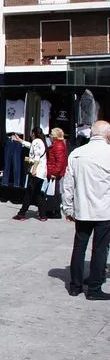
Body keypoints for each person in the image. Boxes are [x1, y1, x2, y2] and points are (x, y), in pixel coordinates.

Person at [61, 120, 110, 300]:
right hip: (104, 210)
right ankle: (94, 289)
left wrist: (67, 207)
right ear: (107, 135)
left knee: (79, 247)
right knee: (100, 249)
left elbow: (68, 184)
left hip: (82, 209)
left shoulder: (77, 153)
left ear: (91, 134)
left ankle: (75, 286)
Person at [13, 127, 49, 221]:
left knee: (29, 193)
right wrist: (20, 140)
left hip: (36, 172)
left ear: (33, 133)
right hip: (41, 172)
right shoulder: (40, 142)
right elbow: (30, 145)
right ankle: (42, 215)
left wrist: (34, 169)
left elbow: (37, 156)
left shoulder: (36, 141)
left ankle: (22, 214)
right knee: (37, 193)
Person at [44, 127, 69, 218]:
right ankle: (52, 210)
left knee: (54, 193)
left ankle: (54, 212)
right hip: (53, 171)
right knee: (54, 192)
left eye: (51, 134)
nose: (49, 136)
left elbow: (60, 162)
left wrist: (54, 173)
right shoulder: (57, 144)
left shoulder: (58, 146)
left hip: (55, 173)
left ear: (55, 136)